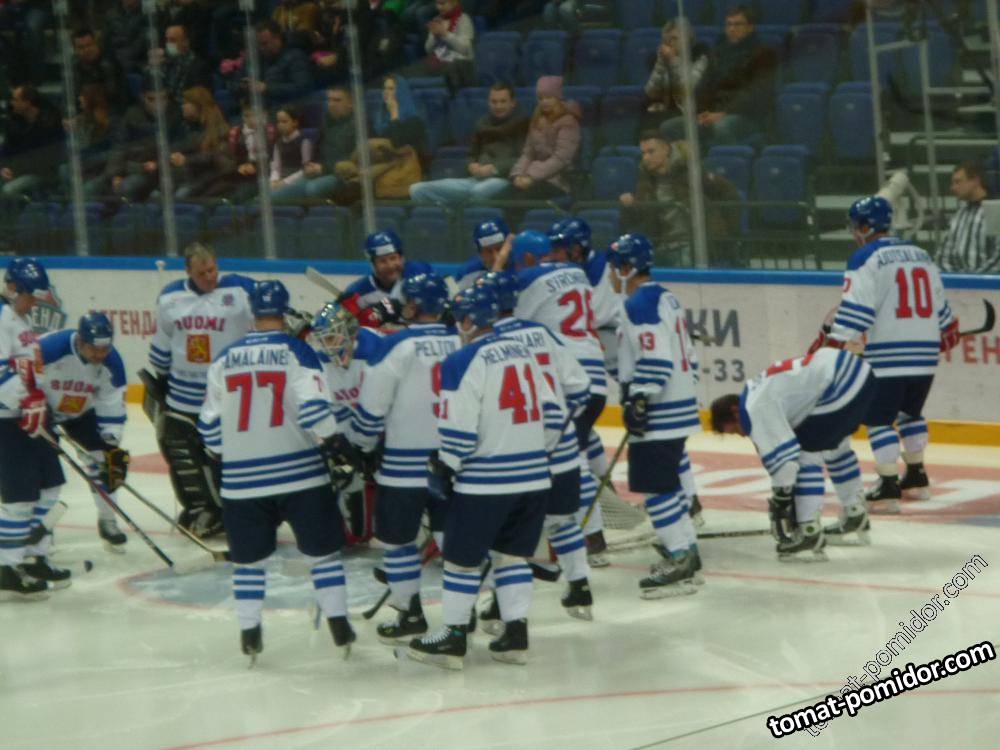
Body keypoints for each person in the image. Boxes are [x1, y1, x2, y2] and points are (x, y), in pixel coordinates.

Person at [198, 280, 356, 662]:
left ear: (253, 313)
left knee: (248, 563)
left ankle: (250, 632)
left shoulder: (224, 359)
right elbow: (315, 411)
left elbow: (209, 427)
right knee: (323, 555)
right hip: (301, 476)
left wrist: (228, 455)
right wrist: (334, 443)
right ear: (285, 313)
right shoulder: (297, 351)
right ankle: (339, 625)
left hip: (241, 484)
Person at [408, 284, 563, 669]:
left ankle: (454, 636)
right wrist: (532, 453)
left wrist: (446, 466)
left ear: (467, 319)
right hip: (534, 480)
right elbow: (555, 415)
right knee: (512, 557)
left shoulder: (462, 360)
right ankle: (515, 636)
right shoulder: (524, 353)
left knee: (460, 560)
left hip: (485, 482)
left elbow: (458, 431)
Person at [818, 196, 959, 513]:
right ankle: (917, 477)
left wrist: (835, 344)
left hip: (888, 355)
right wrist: (948, 329)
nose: (855, 232)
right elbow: (941, 307)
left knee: (879, 420)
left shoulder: (864, 257)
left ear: (867, 226)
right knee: (911, 415)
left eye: (857, 226)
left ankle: (888, 485)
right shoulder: (922, 254)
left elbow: (857, 310)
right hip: (925, 355)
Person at [351, 273, 462, 644]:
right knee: (453, 541)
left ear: (412, 306)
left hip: (402, 468)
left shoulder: (395, 346)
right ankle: (463, 615)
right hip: (453, 464)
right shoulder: (463, 341)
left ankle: (409, 613)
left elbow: (371, 411)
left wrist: (362, 446)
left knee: (397, 541)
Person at [483, 270, 595, 622]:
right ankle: (580, 586)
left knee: (505, 535)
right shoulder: (543, 332)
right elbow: (581, 388)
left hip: (517, 457)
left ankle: (502, 607)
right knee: (562, 522)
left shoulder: (485, 344)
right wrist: (557, 427)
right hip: (563, 454)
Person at [501, 230, 610, 561]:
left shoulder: (529, 279)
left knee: (572, 457)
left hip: (567, 377)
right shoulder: (576, 272)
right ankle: (601, 493)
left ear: (528, 258)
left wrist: (500, 263)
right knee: (582, 441)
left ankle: (592, 534)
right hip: (595, 375)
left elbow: (508, 319)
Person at [709, 347, 879, 558]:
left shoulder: (753, 409)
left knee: (807, 453)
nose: (742, 435)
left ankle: (809, 531)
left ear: (735, 411)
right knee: (836, 446)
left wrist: (781, 498)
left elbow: (787, 463)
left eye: (736, 430)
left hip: (839, 382)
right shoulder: (755, 390)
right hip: (860, 373)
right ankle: (855, 512)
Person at [609, 234, 704, 593]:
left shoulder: (639, 304)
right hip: (679, 408)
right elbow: (689, 356)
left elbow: (657, 358)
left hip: (660, 413)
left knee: (654, 488)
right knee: (669, 484)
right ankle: (688, 552)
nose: (609, 275)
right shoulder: (667, 297)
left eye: (613, 268)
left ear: (626, 268)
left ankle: (679, 558)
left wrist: (639, 399)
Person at [146, 243, 256, 537]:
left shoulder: (240, 291)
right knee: (185, 458)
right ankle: (200, 508)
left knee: (226, 458)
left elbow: (271, 313)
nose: (210, 277)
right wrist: (162, 380)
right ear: (188, 272)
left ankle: (234, 510)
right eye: (202, 273)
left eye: (212, 269)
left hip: (227, 398)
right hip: (184, 398)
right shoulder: (170, 298)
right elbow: (161, 350)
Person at [36, 313, 130, 562]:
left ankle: (108, 521)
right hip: (43, 411)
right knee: (45, 474)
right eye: (94, 349)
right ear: (80, 340)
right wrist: (38, 408)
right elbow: (24, 379)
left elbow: (111, 404)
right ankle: (43, 530)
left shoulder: (113, 362)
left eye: (105, 349)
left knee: (110, 463)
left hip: (83, 413)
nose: (100, 355)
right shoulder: (49, 349)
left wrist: (110, 443)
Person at [0, 258, 55, 599]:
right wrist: (25, 399)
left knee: (51, 486)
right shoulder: (1, 318)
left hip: (29, 417)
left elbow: (28, 368)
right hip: (8, 423)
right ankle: (7, 566)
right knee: (20, 499)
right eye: (30, 295)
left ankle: (34, 555)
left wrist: (39, 400)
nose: (34, 302)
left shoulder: (19, 318)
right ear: (13, 288)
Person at [660, 5, 777, 147]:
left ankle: (724, 161)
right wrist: (701, 112)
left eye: (738, 24)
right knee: (669, 127)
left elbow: (756, 94)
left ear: (750, 27)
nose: (732, 29)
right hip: (714, 113)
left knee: (722, 127)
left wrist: (724, 113)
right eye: (729, 24)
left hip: (746, 116)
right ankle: (686, 160)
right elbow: (705, 85)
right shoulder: (719, 53)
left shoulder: (763, 54)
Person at [620, 131, 741, 265]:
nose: (646, 157)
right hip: (661, 246)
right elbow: (638, 217)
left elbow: (729, 194)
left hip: (691, 246)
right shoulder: (646, 180)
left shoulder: (690, 171)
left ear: (666, 149)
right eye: (643, 153)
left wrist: (726, 234)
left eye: (651, 152)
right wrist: (630, 205)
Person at [409, 84, 528, 206]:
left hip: (504, 179)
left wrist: (493, 169)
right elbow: (471, 155)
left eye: (503, 101)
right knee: (418, 189)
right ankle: (447, 217)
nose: (498, 106)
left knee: (479, 191)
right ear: (488, 103)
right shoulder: (482, 123)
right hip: (475, 179)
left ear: (512, 103)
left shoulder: (523, 125)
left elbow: (523, 159)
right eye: (494, 102)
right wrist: (471, 165)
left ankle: (463, 216)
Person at [104, 82, 182, 203]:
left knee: (126, 188)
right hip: (133, 167)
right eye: (151, 99)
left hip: (161, 170)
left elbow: (180, 146)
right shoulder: (132, 115)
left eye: (163, 98)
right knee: (91, 188)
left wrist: (157, 163)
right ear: (142, 98)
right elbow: (119, 146)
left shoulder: (175, 115)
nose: (158, 104)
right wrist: (116, 174)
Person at [338, 230, 435, 328]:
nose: (390, 266)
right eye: (383, 261)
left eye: (393, 258)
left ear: (401, 258)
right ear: (373, 265)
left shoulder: (419, 276)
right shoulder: (359, 292)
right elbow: (340, 327)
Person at [506, 76, 580, 202]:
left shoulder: (568, 122)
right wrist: (518, 175)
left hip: (557, 181)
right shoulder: (536, 120)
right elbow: (528, 153)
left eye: (548, 98)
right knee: (500, 197)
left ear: (557, 98)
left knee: (519, 201)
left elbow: (561, 159)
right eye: (540, 98)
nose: (544, 102)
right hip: (532, 177)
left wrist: (531, 176)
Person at [0, 86, 64, 224]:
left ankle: (10, 230)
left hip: (42, 173)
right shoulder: (14, 122)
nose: (12, 103)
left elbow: (46, 159)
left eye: (15, 100)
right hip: (15, 170)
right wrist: (3, 167)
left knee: (8, 190)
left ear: (27, 102)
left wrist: (15, 170)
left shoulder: (49, 124)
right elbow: (5, 150)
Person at [642, 18, 710, 131]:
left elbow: (689, 87)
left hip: (692, 111)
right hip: (667, 109)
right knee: (644, 112)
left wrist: (673, 60)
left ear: (688, 38)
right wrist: (660, 64)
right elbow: (650, 93)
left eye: (675, 38)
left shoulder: (700, 56)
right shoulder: (661, 59)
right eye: (667, 40)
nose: (671, 43)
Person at [936, 160, 1000, 274]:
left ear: (975, 180)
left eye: (958, 182)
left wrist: (975, 280)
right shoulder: (959, 215)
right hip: (957, 282)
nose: (953, 188)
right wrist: (955, 278)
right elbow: (942, 255)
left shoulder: (996, 211)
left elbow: (998, 258)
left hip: (989, 283)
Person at [171, 87, 233, 200]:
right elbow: (183, 146)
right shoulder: (189, 126)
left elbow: (214, 156)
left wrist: (186, 160)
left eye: (186, 103)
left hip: (212, 178)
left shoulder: (219, 129)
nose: (182, 106)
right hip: (195, 176)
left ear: (197, 105)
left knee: (181, 195)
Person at [244, 21, 313, 109]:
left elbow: (302, 88)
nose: (261, 48)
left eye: (265, 44)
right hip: (264, 107)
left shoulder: (296, 56)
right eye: (259, 45)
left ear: (277, 39)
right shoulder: (260, 57)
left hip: (287, 108)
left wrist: (267, 88)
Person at [417, 0, 475, 95]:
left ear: (454, 3)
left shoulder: (464, 19)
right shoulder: (437, 20)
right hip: (440, 61)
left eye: (442, 3)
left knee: (450, 68)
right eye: (437, 3)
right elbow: (428, 49)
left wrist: (445, 33)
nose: (439, 7)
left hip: (461, 64)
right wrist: (434, 37)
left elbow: (464, 49)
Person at [72, 28, 131, 114]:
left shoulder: (109, 64)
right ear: (75, 50)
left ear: (96, 44)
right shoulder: (75, 68)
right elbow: (71, 97)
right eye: (81, 47)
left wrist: (89, 97)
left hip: (114, 112)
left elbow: (115, 96)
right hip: (87, 113)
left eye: (89, 45)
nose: (86, 50)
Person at [149, 24, 212, 105]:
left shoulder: (198, 67)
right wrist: (154, 68)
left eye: (172, 40)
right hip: (163, 107)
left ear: (185, 42)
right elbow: (151, 91)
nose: (168, 44)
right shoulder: (166, 61)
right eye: (167, 40)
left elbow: (198, 100)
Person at [372, 75, 429, 163]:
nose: (386, 92)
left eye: (391, 89)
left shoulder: (415, 122)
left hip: (406, 165)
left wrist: (394, 113)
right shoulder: (381, 117)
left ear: (402, 92)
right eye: (384, 88)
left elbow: (398, 145)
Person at [268, 104, 315, 203]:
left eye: (284, 122)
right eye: (278, 122)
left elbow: (306, 169)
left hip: (297, 180)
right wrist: (274, 180)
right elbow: (276, 166)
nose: (280, 125)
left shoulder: (304, 141)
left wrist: (285, 182)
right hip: (280, 179)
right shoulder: (278, 143)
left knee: (272, 198)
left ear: (295, 122)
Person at [452, 218, 509, 291]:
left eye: (499, 249)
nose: (496, 256)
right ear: (480, 253)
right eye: (488, 251)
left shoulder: (520, 266)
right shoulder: (468, 272)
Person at [103, 0, 148, 75]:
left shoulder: (148, 14)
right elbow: (106, 44)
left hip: (142, 66)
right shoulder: (111, 16)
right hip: (118, 69)